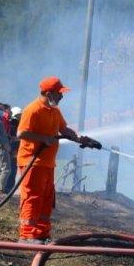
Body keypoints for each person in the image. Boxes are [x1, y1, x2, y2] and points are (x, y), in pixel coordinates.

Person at [15, 77, 100, 243]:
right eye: (59, 93)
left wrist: (81, 139)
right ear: (48, 94)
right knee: (32, 197)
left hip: (48, 163)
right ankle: (27, 235)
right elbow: (21, 133)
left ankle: (41, 233)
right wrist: (43, 138)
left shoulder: (55, 111)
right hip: (32, 162)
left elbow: (64, 129)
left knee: (47, 198)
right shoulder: (32, 110)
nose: (61, 96)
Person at [1, 104, 19, 194]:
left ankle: (9, 189)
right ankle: (4, 188)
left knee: (13, 169)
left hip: (15, 148)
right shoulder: (10, 123)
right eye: (17, 116)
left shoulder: (19, 123)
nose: (18, 118)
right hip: (10, 148)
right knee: (8, 168)